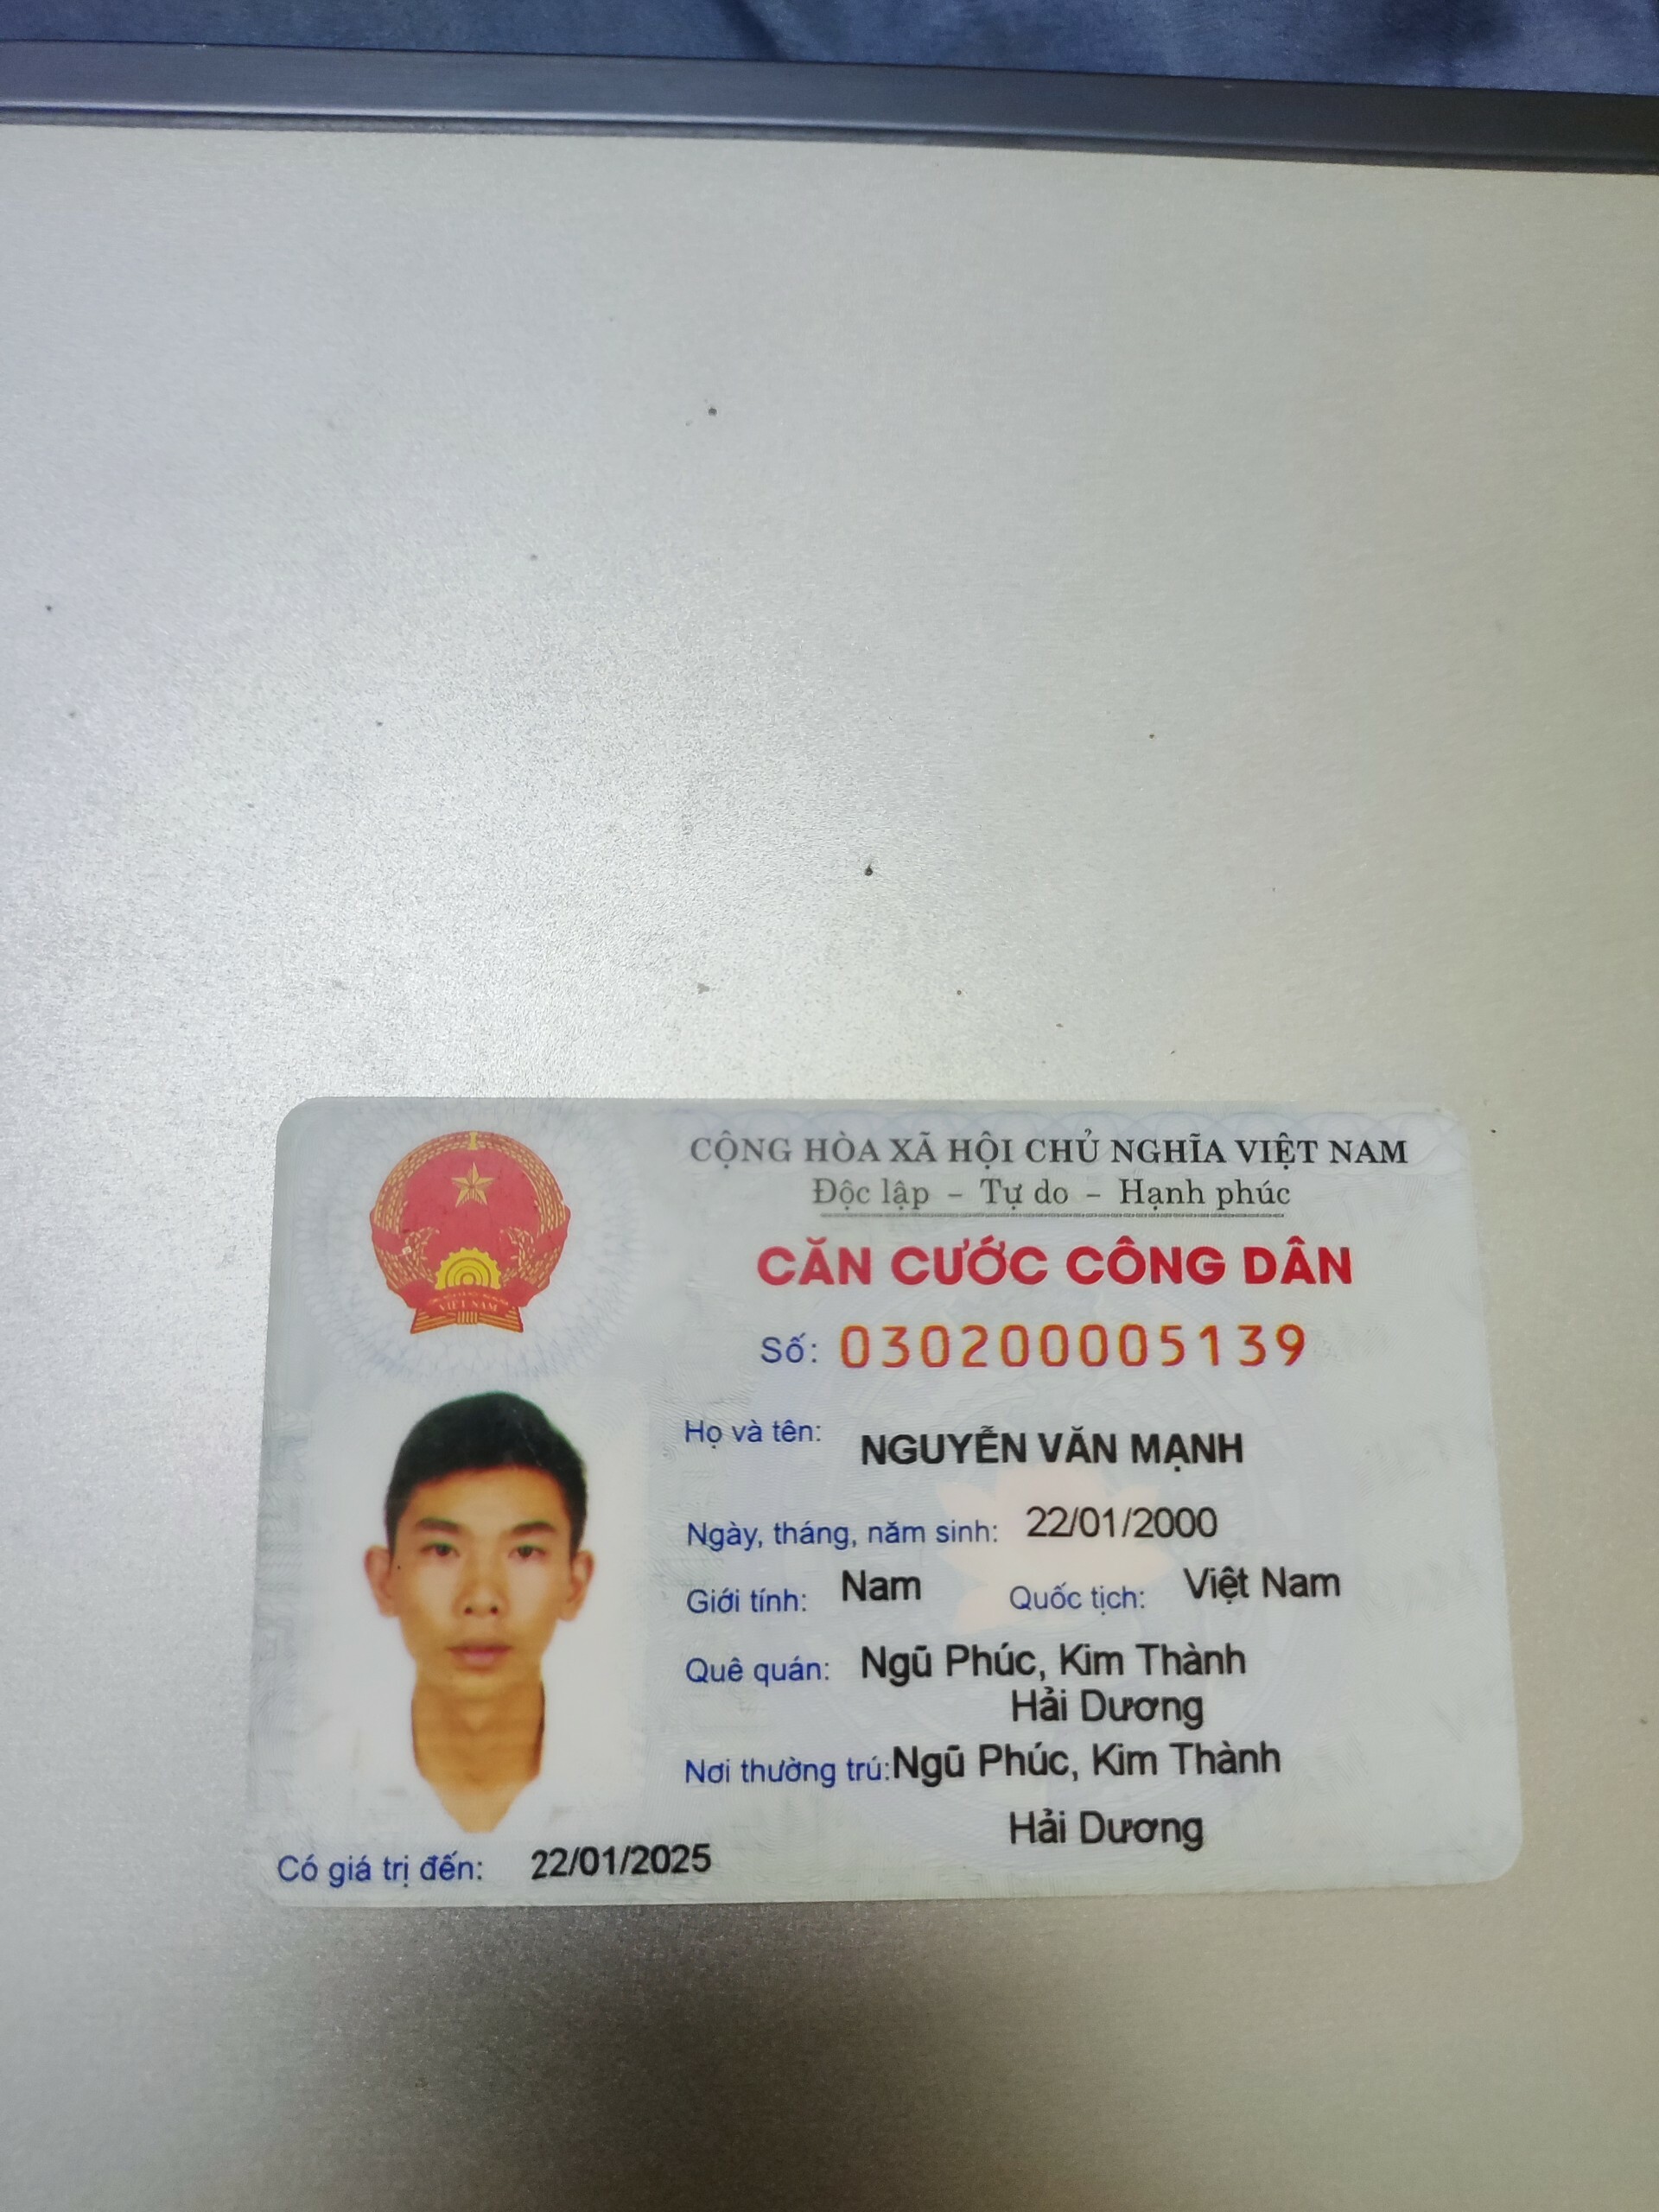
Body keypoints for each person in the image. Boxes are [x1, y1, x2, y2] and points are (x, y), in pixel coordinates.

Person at [361, 1392, 594, 1834]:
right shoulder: (319, 1789)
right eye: (442, 1550)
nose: (483, 1598)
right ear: (384, 1579)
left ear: (575, 1584)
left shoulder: (621, 1788)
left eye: (525, 1552)